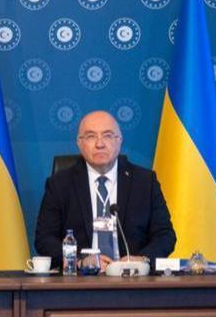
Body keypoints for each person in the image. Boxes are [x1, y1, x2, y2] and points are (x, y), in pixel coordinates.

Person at [34, 110, 176, 270]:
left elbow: (165, 235)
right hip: (80, 281)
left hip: (133, 279)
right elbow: (44, 239)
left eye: (107, 135)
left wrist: (142, 259)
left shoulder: (144, 181)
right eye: (90, 136)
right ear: (79, 143)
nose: (100, 144)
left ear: (119, 140)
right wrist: (80, 261)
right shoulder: (60, 184)